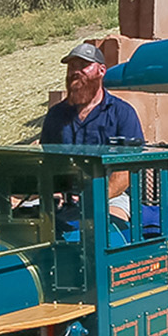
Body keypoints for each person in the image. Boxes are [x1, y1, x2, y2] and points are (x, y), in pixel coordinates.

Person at [38, 42, 143, 239]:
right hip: (62, 199)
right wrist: (51, 192)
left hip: (112, 197)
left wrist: (94, 197)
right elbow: (46, 164)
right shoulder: (55, 115)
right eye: (72, 67)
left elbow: (127, 171)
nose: (76, 72)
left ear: (101, 71)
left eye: (83, 66)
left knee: (106, 232)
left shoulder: (122, 113)